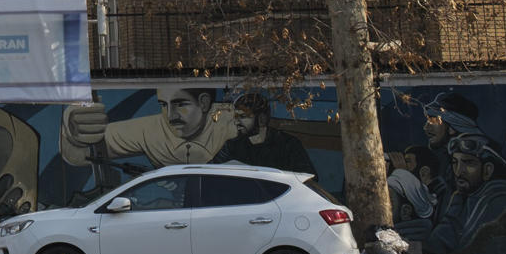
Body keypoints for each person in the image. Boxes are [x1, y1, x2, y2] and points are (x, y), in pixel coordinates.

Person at [60, 86, 232, 168]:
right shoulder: (148, 130)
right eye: (164, 105)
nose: (171, 116)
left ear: (203, 102)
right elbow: (81, 155)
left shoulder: (230, 120)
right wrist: (71, 131)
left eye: (180, 104)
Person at [210, 91, 315, 173]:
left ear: (262, 118)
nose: (236, 122)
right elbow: (210, 171)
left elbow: (308, 177)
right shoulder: (232, 146)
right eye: (235, 117)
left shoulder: (288, 144)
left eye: (242, 116)